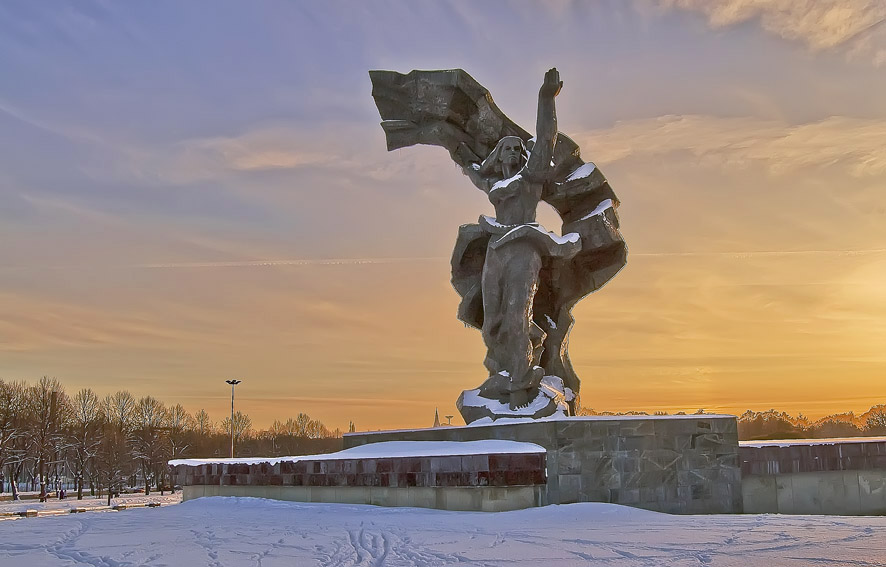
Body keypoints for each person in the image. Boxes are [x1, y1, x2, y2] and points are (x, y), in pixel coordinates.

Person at [458, 68, 580, 409]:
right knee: (492, 322)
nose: (513, 152)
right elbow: (473, 171)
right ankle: (525, 350)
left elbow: (545, 141)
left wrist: (545, 98)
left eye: (516, 148)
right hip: (497, 250)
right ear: (499, 157)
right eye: (507, 149)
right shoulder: (496, 186)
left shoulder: (530, 179)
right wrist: (462, 154)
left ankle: (520, 383)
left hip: (525, 250)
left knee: (516, 315)